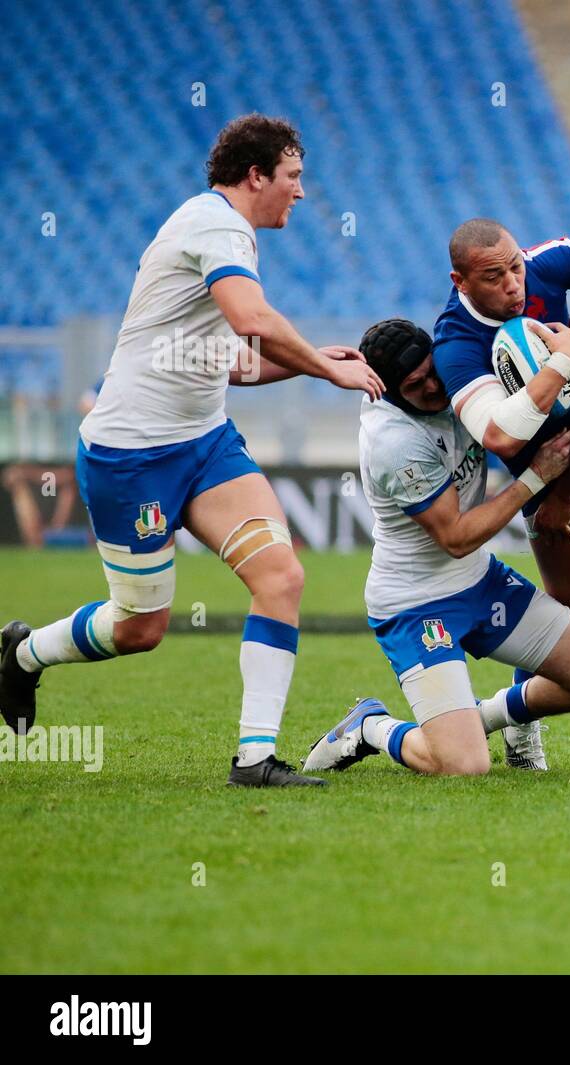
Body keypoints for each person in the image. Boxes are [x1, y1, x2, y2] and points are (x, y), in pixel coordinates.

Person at [0, 114, 385, 787]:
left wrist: (308, 361)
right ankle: (23, 654)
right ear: (256, 175)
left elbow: (230, 360)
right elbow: (254, 321)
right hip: (132, 457)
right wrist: (331, 372)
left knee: (282, 577)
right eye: (293, 177)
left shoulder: (223, 232)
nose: (301, 192)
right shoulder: (216, 226)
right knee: (139, 626)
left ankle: (254, 758)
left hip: (206, 446)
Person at [303, 319, 570, 776]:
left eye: (433, 370)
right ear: (387, 389)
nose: (436, 386)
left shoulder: (460, 379)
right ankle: (370, 727)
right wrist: (537, 477)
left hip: (480, 582)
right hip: (415, 604)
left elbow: (524, 360)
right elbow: (456, 538)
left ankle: (490, 718)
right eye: (416, 385)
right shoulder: (393, 440)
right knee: (463, 766)